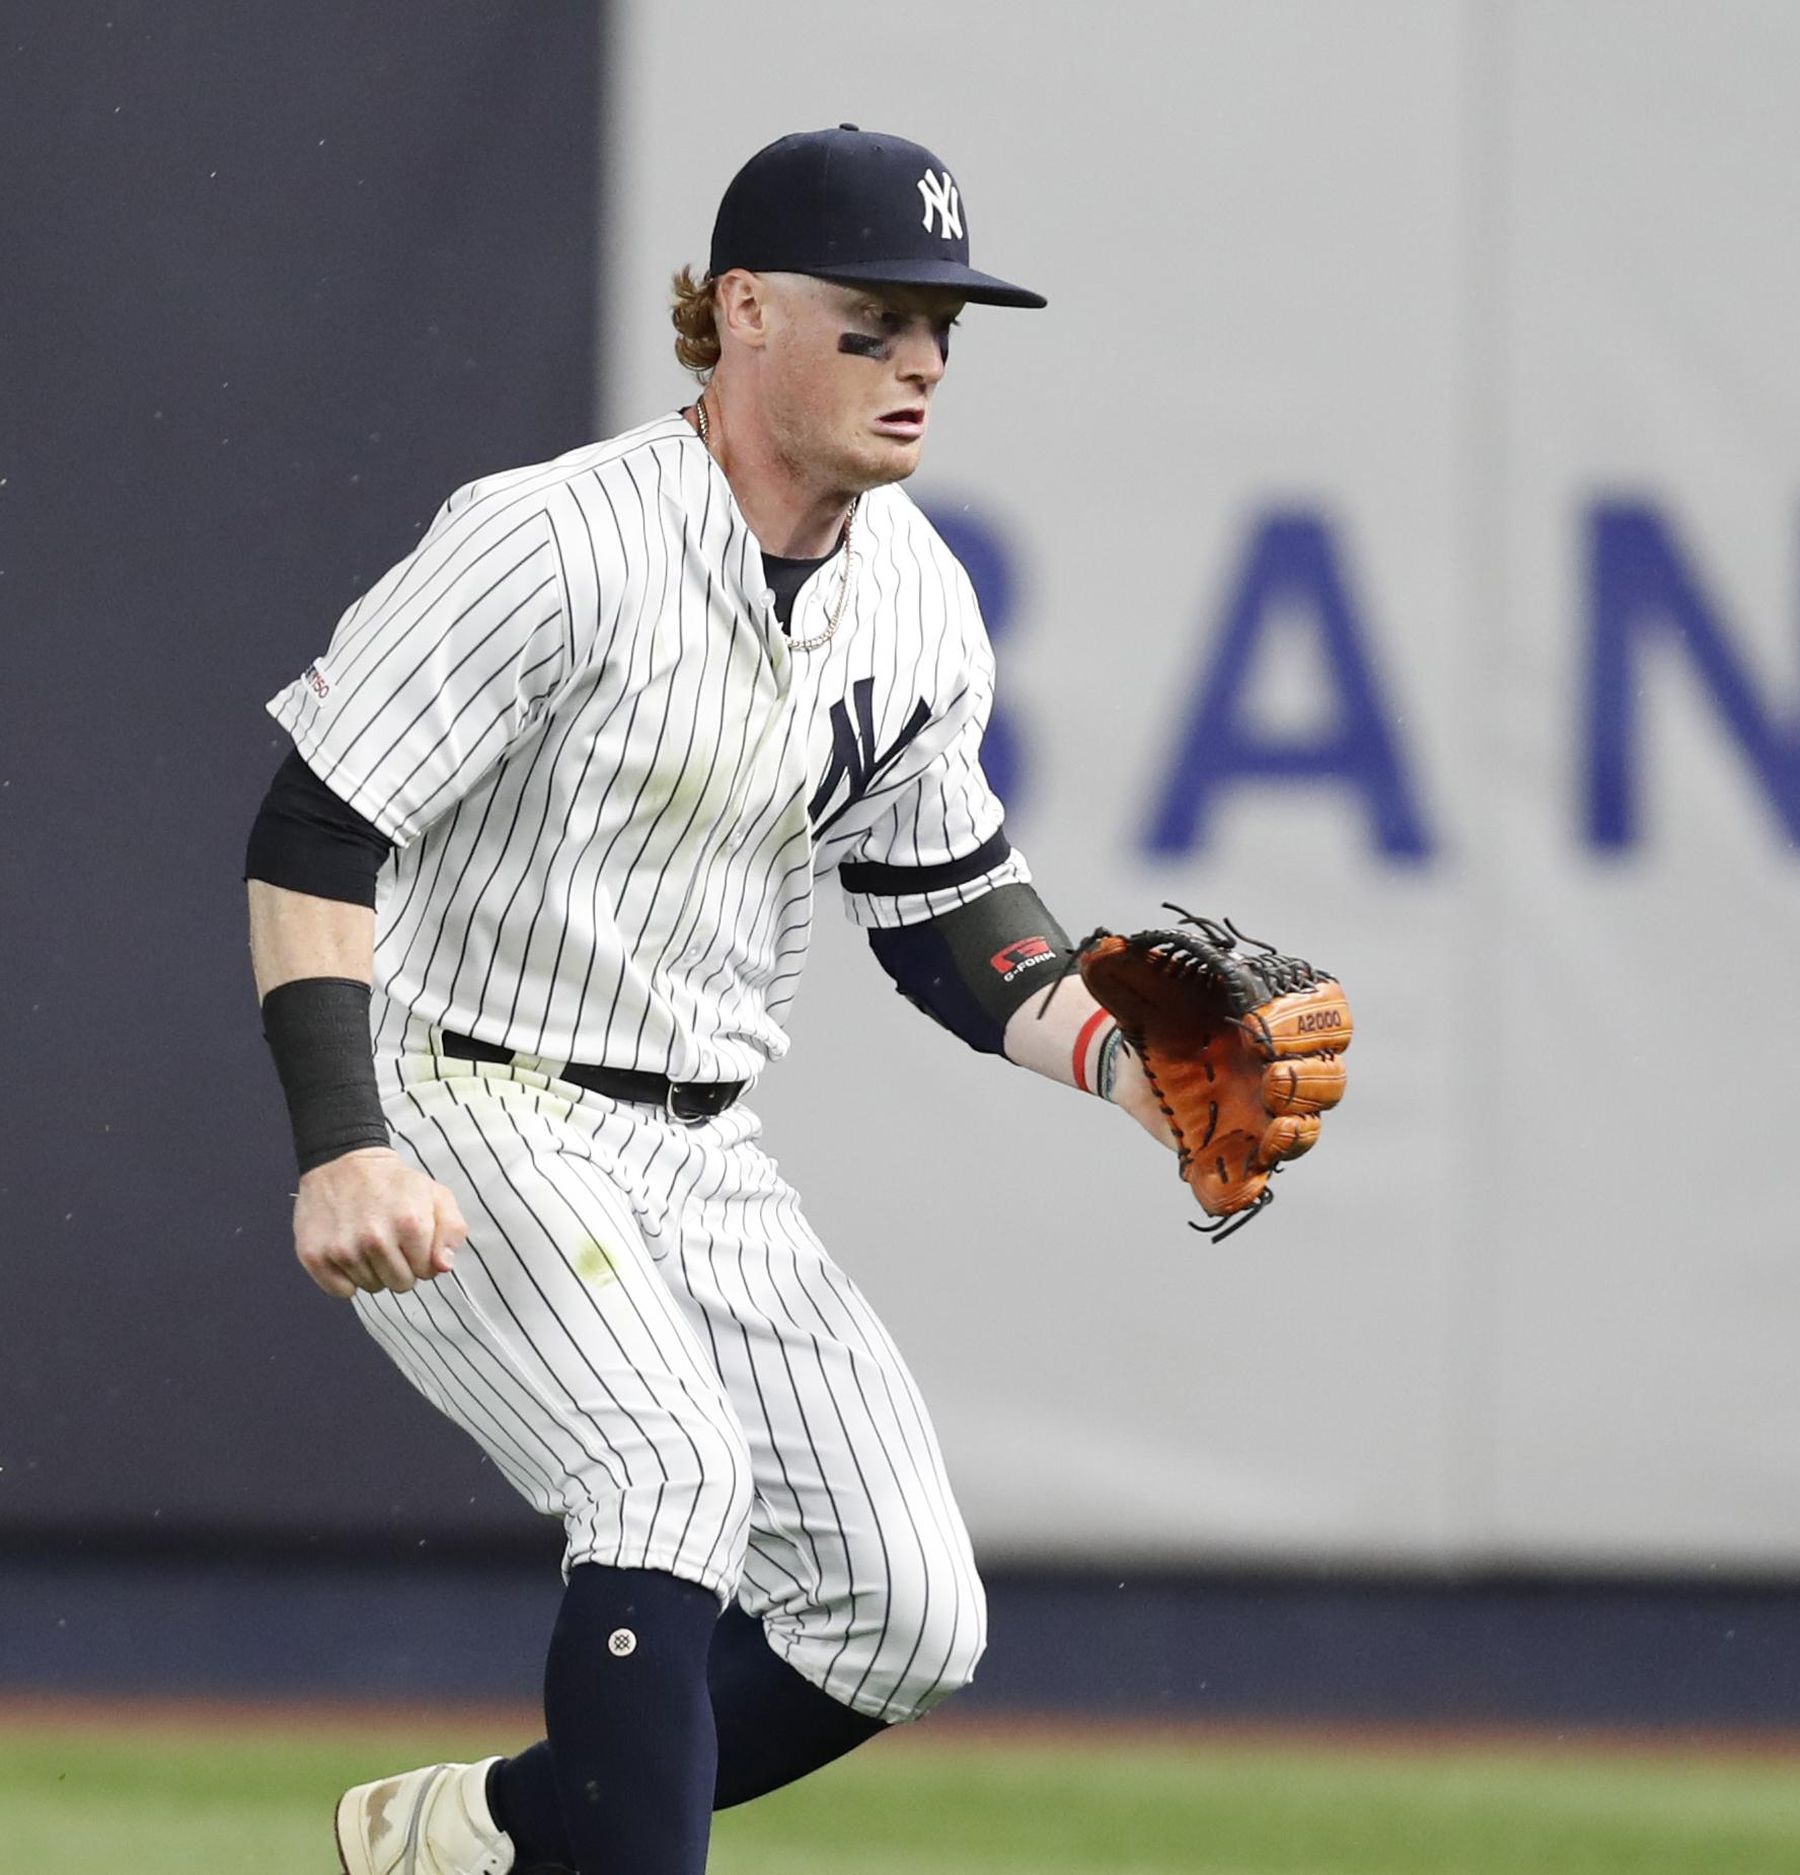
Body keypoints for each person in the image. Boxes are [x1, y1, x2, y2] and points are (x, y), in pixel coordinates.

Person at [245, 127, 1164, 1875]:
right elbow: (311, 834)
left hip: (698, 1143)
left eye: (942, 330)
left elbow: (947, 909)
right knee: (666, 1472)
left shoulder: (914, 591)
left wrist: (1131, 1067)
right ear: (740, 309)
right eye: (874, 320)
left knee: (901, 1616)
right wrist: (342, 1142)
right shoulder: (549, 539)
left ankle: (471, 1840)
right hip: (466, 1093)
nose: (921, 365)